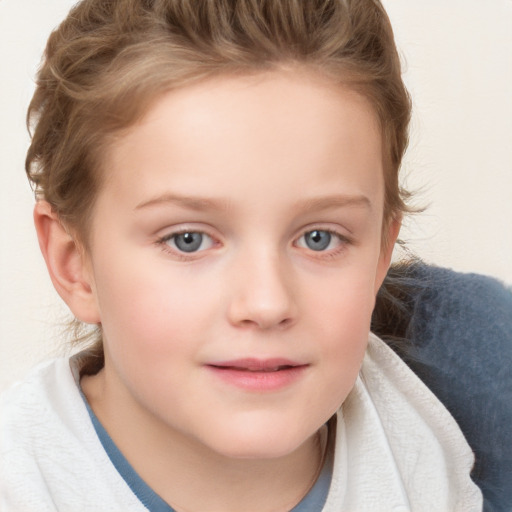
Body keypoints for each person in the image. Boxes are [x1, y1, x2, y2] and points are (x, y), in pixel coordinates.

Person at [0, 0, 484, 510]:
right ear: (75, 263)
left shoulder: (423, 450)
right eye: (188, 239)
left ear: (381, 254)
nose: (267, 302)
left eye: (320, 237)